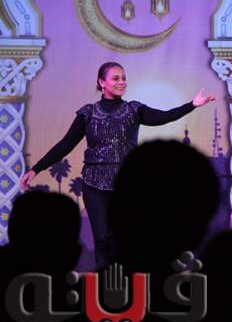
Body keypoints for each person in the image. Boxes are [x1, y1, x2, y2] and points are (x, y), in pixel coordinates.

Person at [19, 62, 216, 270]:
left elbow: (164, 117)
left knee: (131, 239)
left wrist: (192, 104)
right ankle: (105, 284)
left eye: (123, 78)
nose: (121, 82)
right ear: (101, 82)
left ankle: (133, 283)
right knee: (103, 240)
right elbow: (66, 144)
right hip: (94, 185)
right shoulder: (88, 113)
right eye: (116, 78)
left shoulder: (134, 110)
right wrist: (36, 168)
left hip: (128, 185)